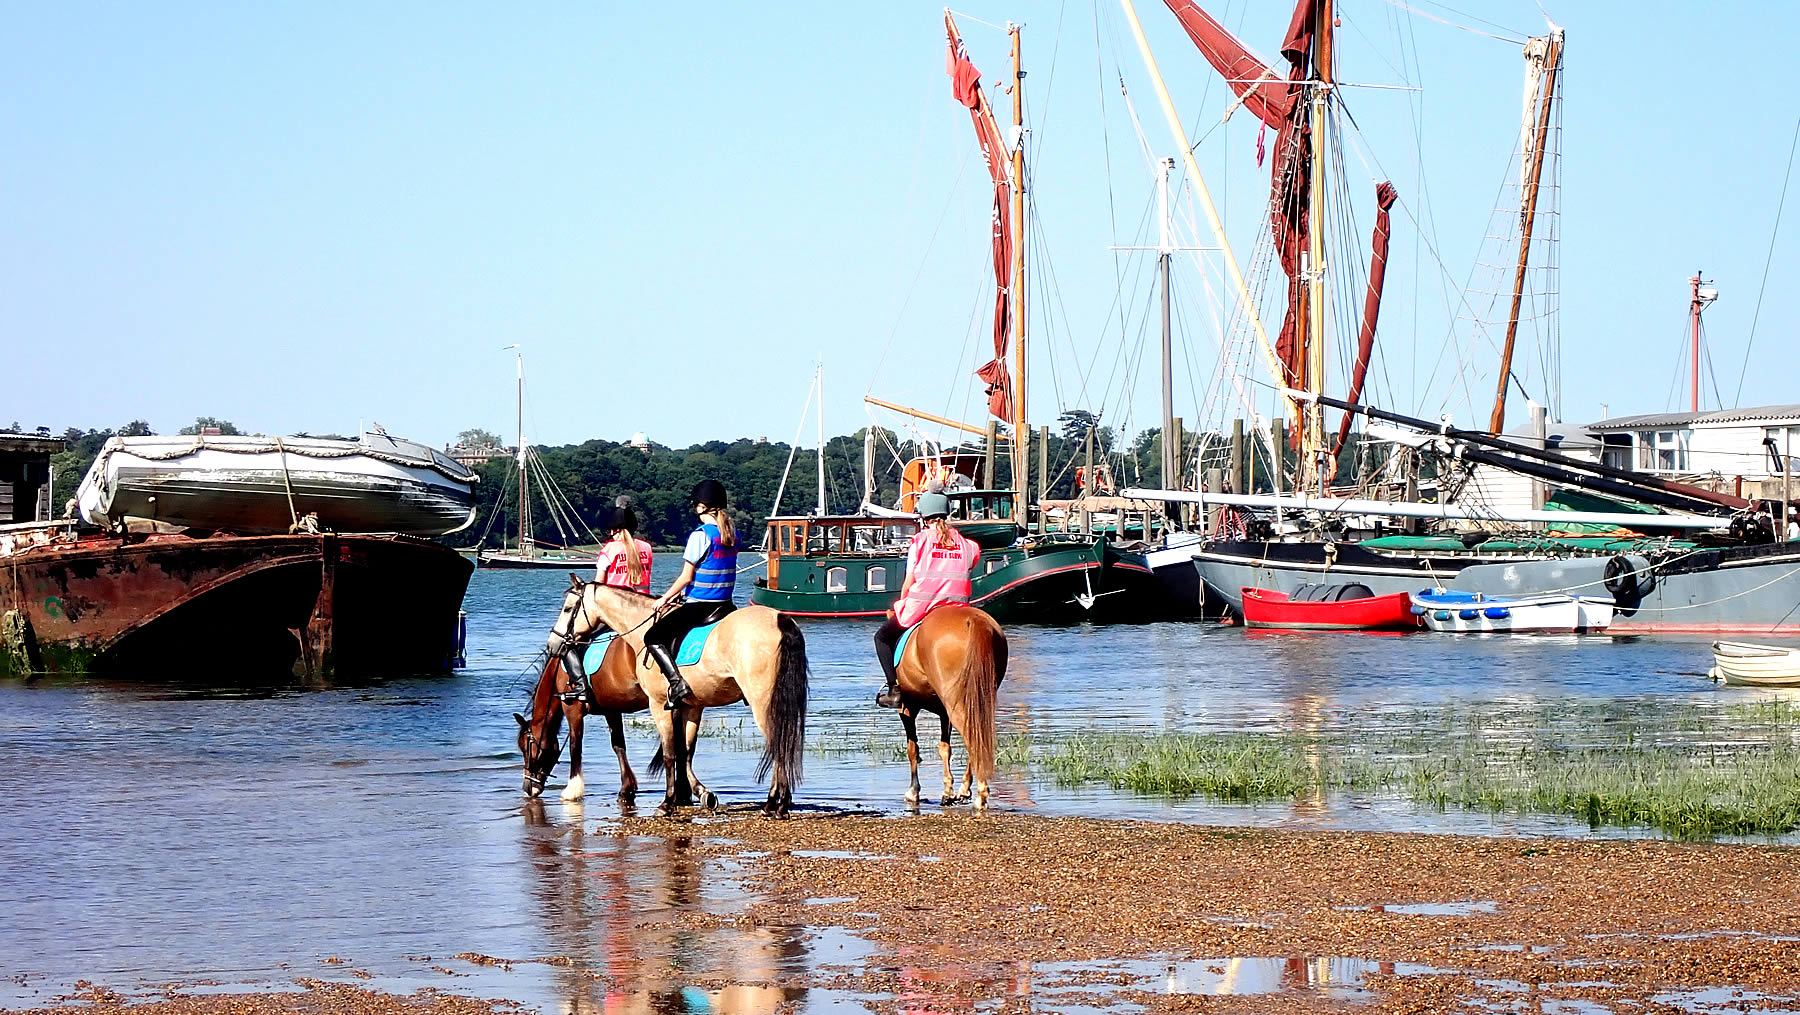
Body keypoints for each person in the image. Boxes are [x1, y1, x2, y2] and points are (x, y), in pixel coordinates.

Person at [872, 488, 981, 709]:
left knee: (881, 638)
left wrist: (901, 603)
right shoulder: (969, 546)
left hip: (923, 605)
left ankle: (894, 690)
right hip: (958, 607)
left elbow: (909, 580)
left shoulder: (920, 541)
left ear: (924, 515)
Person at [644, 479, 738, 708]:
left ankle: (677, 685)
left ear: (701, 507)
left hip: (700, 606)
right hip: (726, 605)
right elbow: (713, 570)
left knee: (653, 638)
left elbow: (686, 576)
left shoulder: (700, 535)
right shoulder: (732, 534)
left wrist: (664, 598)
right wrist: (683, 593)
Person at [595, 502, 653, 594]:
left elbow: (598, 584)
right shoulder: (647, 547)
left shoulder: (608, 550)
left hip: (616, 601)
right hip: (643, 600)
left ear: (613, 530)